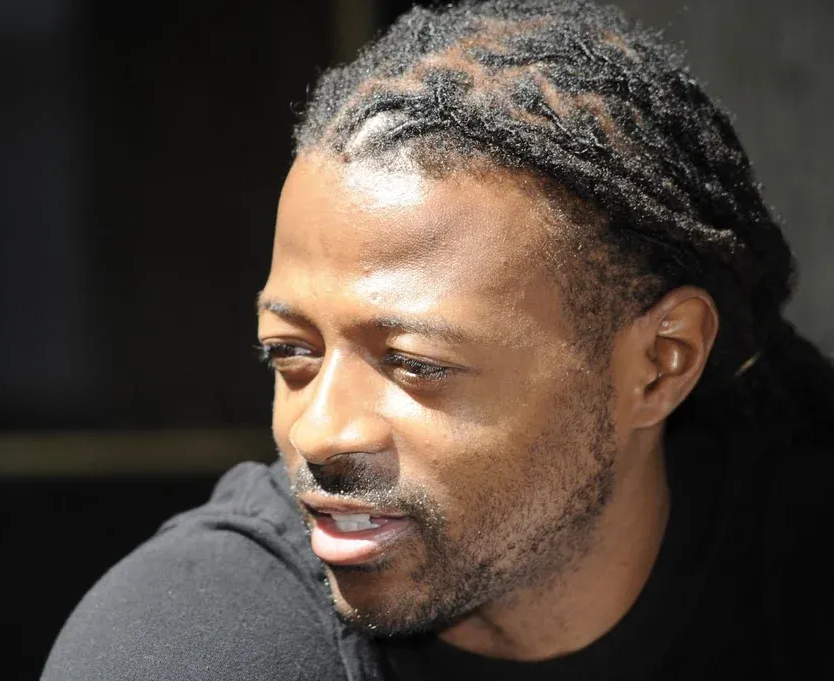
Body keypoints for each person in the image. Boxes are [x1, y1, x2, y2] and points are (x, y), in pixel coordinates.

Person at [41, 1, 833, 678]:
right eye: (291, 353)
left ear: (661, 364)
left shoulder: (797, 560)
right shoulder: (193, 641)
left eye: (414, 364)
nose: (319, 432)